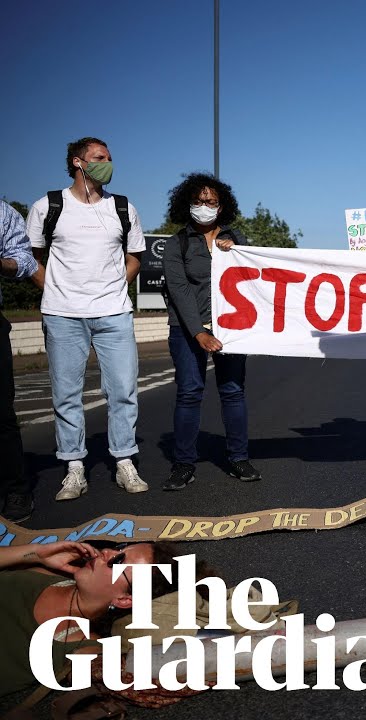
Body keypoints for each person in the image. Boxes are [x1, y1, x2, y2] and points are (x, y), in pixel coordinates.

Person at [26, 137, 147, 500]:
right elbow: (30, 254)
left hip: (114, 313)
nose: (107, 163)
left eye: (109, 158)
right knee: (67, 394)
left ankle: (125, 461)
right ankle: (75, 468)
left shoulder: (122, 207)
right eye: (99, 158)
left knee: (123, 390)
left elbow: (136, 256)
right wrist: (53, 290)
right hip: (63, 316)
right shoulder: (48, 206)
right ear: (78, 162)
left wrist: (114, 288)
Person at [161, 173, 261, 491]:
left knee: (233, 391)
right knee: (190, 393)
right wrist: (198, 333)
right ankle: (183, 464)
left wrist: (236, 251)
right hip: (187, 331)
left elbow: (257, 274)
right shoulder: (176, 244)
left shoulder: (236, 240)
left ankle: (238, 458)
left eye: (211, 201)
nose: (205, 206)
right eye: (199, 200)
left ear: (222, 206)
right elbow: (179, 292)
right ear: (188, 203)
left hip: (230, 328)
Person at [0, 540, 178, 695]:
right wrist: (37, 553)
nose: (106, 551)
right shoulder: (49, 573)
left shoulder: (84, 647)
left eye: (117, 560)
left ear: (124, 599)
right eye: (120, 548)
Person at [0, 204, 39, 522]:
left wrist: (3, 263)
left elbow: (24, 260)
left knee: (1, 412)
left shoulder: (2, 213)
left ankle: (15, 489)